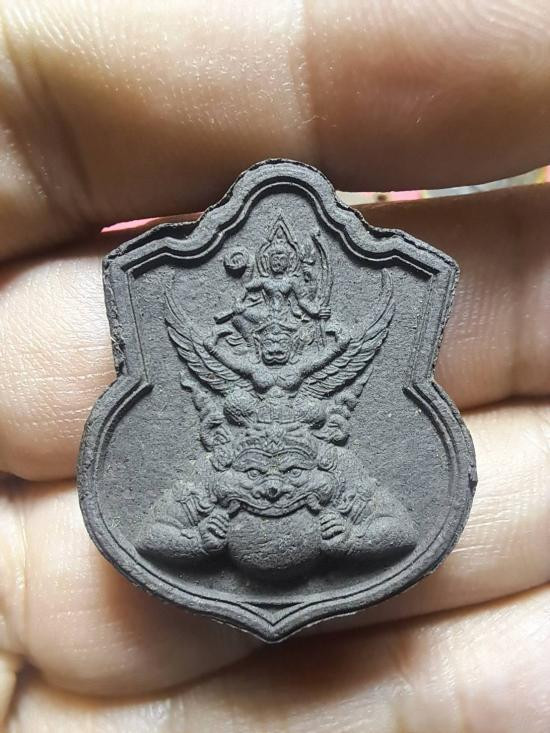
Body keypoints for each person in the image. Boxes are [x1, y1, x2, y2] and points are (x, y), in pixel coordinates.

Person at [0, 1, 548, 731]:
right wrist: (221, 507)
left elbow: (394, 533)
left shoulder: (332, 457)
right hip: (228, 486)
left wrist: (327, 507)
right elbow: (159, 538)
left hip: (312, 481)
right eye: (260, 309)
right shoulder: (216, 454)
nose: (274, 330)